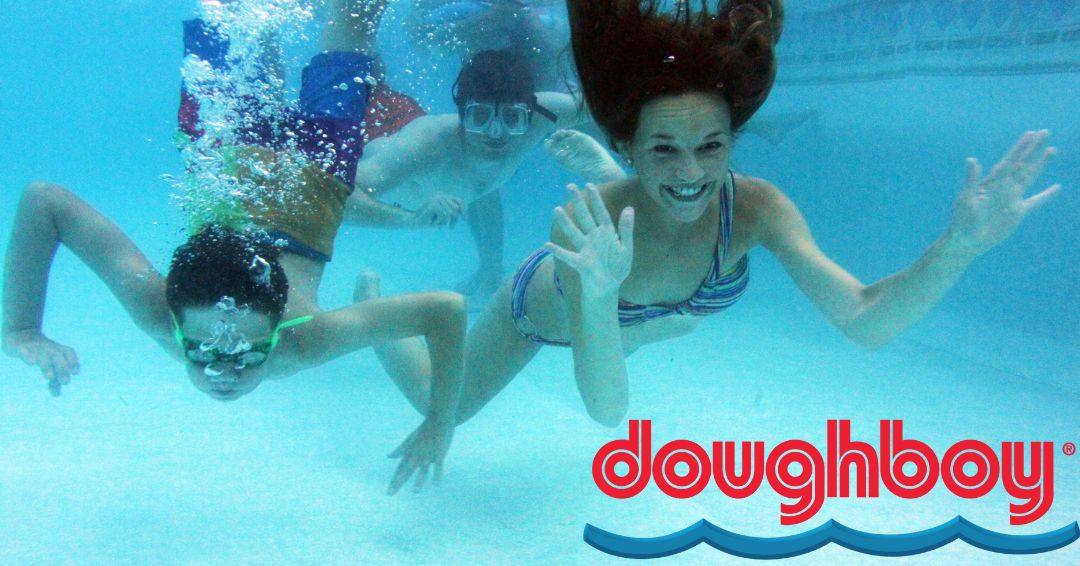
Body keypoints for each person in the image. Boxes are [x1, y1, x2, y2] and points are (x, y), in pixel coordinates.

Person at [364, 0, 1061, 428]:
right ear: (629, 147)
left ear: (733, 142)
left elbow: (864, 319)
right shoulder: (587, 228)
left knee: (654, 307)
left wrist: (959, 247)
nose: (693, 173)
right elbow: (607, 412)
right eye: (663, 149)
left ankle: (647, 314)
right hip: (553, 306)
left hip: (635, 306)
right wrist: (599, 292)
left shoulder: (756, 208)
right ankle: (378, 313)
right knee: (444, 408)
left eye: (712, 146)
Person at [1, 0, 464, 493]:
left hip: (227, 152)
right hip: (317, 173)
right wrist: (441, 420)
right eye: (200, 351)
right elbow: (445, 310)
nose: (224, 371)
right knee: (354, 17)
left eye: (244, 352)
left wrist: (23, 329)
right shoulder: (288, 340)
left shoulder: (283, 336)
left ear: (281, 322)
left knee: (236, 15)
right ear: (178, 322)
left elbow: (44, 200)